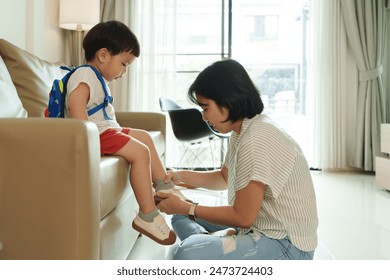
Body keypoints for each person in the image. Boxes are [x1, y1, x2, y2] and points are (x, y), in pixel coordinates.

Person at [156, 59, 319, 259]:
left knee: (186, 253)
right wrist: (179, 177)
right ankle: (214, 244)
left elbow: (243, 216)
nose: (204, 118)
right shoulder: (243, 130)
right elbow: (224, 178)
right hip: (258, 225)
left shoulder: (255, 138)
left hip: (286, 245)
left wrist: (189, 207)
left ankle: (209, 244)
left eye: (206, 108)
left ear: (228, 102)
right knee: (180, 215)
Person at [64, 20, 176, 245]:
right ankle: (147, 215)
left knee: (143, 136)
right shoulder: (84, 75)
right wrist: (88, 142)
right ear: (104, 55)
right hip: (97, 134)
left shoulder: (95, 77)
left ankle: (164, 186)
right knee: (140, 151)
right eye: (124, 64)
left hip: (107, 130)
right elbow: (75, 104)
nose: (124, 71)